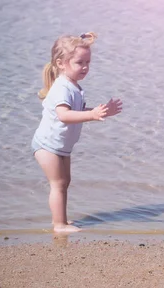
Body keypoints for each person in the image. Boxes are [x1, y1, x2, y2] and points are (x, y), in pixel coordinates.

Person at [32, 32, 123, 233]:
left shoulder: (74, 86)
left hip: (60, 146)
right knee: (58, 184)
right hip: (47, 145)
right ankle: (59, 225)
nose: (85, 67)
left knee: (64, 183)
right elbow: (64, 115)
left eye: (88, 62)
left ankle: (62, 220)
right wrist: (91, 114)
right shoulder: (62, 87)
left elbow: (77, 112)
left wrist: (102, 112)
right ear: (61, 63)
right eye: (79, 62)